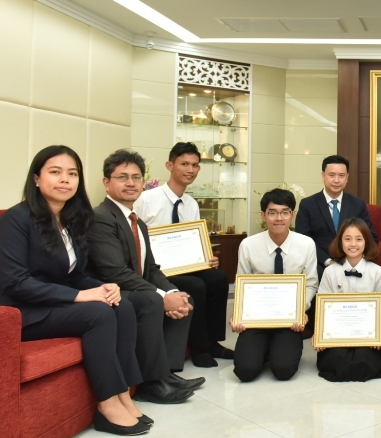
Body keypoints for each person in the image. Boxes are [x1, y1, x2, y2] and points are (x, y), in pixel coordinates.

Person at [0, 146, 149, 436]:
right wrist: (80, 296)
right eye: (55, 172)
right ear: (37, 178)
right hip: (20, 312)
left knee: (122, 305)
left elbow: (74, 275)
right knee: (98, 314)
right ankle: (107, 404)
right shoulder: (15, 220)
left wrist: (102, 287)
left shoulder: (68, 220)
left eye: (72, 174)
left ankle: (124, 393)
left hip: (51, 305)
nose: (65, 179)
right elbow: (15, 282)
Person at [87, 149, 203, 405]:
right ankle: (151, 384)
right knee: (151, 301)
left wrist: (172, 292)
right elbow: (115, 272)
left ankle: (166, 374)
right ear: (106, 182)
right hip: (108, 291)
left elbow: (150, 268)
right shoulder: (100, 218)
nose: (131, 183)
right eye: (122, 177)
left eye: (136, 177)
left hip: (131, 287)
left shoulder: (136, 222)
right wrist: (161, 296)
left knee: (183, 297)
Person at [133, 142, 232, 367]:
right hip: (156, 271)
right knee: (195, 286)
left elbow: (194, 241)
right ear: (170, 165)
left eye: (195, 165)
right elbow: (134, 238)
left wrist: (206, 257)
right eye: (184, 164)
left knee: (218, 278)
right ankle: (199, 349)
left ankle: (213, 342)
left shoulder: (191, 204)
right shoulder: (146, 199)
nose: (190, 170)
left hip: (184, 266)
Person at [232, 189, 319, 382]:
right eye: (272, 213)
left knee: (283, 370)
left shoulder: (306, 244)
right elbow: (242, 284)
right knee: (245, 371)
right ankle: (262, 349)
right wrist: (238, 314)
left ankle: (273, 349)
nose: (279, 218)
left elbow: (311, 284)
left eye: (285, 212)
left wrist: (300, 310)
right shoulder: (248, 245)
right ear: (263, 215)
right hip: (257, 318)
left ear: (293, 215)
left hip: (289, 320)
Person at [314, 218, 381, 382]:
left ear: (366, 242)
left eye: (359, 239)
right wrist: (319, 334)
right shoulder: (330, 272)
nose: (353, 244)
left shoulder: (378, 272)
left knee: (366, 358)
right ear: (340, 242)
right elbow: (323, 309)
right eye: (347, 239)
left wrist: (380, 334)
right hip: (338, 333)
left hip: (367, 334)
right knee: (337, 358)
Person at [295, 154, 378, 282]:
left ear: (347, 178)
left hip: (353, 263)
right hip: (320, 265)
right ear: (323, 176)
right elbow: (303, 241)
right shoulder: (308, 205)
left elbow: (371, 237)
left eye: (341, 176)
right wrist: (328, 262)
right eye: (332, 175)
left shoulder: (357, 204)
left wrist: (354, 261)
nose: (336, 180)